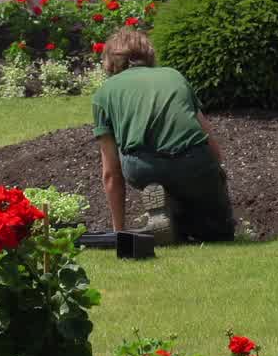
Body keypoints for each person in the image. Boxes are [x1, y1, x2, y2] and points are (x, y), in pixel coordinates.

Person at [91, 28, 233, 244]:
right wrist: (214, 175)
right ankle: (179, 216)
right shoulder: (174, 76)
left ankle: (168, 211)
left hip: (144, 168)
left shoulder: (104, 93)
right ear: (148, 53)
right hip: (193, 161)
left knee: (170, 188)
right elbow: (210, 141)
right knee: (220, 234)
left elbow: (111, 173)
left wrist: (119, 232)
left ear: (110, 61)